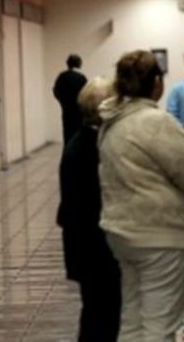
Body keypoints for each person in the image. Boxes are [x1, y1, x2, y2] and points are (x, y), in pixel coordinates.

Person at [98, 50, 184, 342]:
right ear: (156, 83)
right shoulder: (155, 123)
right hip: (161, 236)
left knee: (133, 324)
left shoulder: (111, 122)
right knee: (161, 328)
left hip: (122, 233)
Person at [57, 77, 121, 342]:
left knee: (96, 312)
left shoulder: (78, 142)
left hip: (84, 246)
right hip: (96, 247)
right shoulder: (93, 149)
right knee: (102, 315)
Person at [53, 54, 88, 144]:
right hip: (79, 113)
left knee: (67, 136)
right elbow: (86, 94)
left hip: (66, 111)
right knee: (79, 139)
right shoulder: (81, 78)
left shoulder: (62, 76)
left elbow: (55, 91)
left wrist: (62, 102)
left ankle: (67, 155)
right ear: (79, 63)